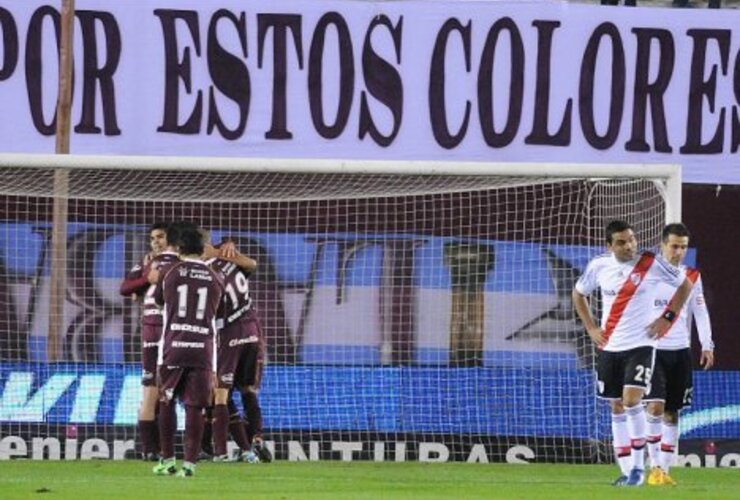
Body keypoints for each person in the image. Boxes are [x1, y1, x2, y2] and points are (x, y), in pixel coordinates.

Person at [572, 220, 694, 487]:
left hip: (641, 345)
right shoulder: (599, 266)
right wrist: (592, 328)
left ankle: (640, 468)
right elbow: (578, 294)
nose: (629, 246)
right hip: (609, 346)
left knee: (631, 400)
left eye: (631, 240)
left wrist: (668, 317)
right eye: (621, 242)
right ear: (609, 246)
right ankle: (627, 472)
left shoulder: (650, 263)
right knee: (615, 406)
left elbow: (685, 285)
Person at [151, 222, 225, 477]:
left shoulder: (169, 272)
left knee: (166, 401)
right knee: (195, 407)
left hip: (174, 345)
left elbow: (159, 302)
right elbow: (220, 314)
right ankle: (190, 464)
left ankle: (167, 460)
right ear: (203, 248)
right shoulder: (217, 276)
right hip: (203, 348)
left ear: (179, 247)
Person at [644, 223, 714, 486]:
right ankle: (653, 468)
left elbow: (700, 312)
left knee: (672, 413)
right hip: (652, 350)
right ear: (663, 245)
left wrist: (707, 344)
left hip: (680, 351)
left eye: (683, 247)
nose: (678, 251)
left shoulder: (692, 276)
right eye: (674, 246)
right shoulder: (649, 273)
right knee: (655, 406)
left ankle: (664, 469)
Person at [204, 236, 272, 463]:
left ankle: (223, 452)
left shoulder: (205, 271)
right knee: (248, 390)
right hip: (252, 331)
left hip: (227, 333)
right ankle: (257, 438)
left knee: (220, 393)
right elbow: (252, 264)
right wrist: (226, 248)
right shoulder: (230, 260)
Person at [119, 222, 179, 461]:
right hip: (162, 330)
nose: (155, 242)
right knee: (159, 391)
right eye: (152, 238)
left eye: (160, 237)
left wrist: (144, 283)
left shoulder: (164, 263)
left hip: (163, 329)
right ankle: (154, 449)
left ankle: (156, 448)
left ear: (170, 240)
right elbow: (125, 288)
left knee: (159, 391)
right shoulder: (148, 263)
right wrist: (147, 279)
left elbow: (130, 290)